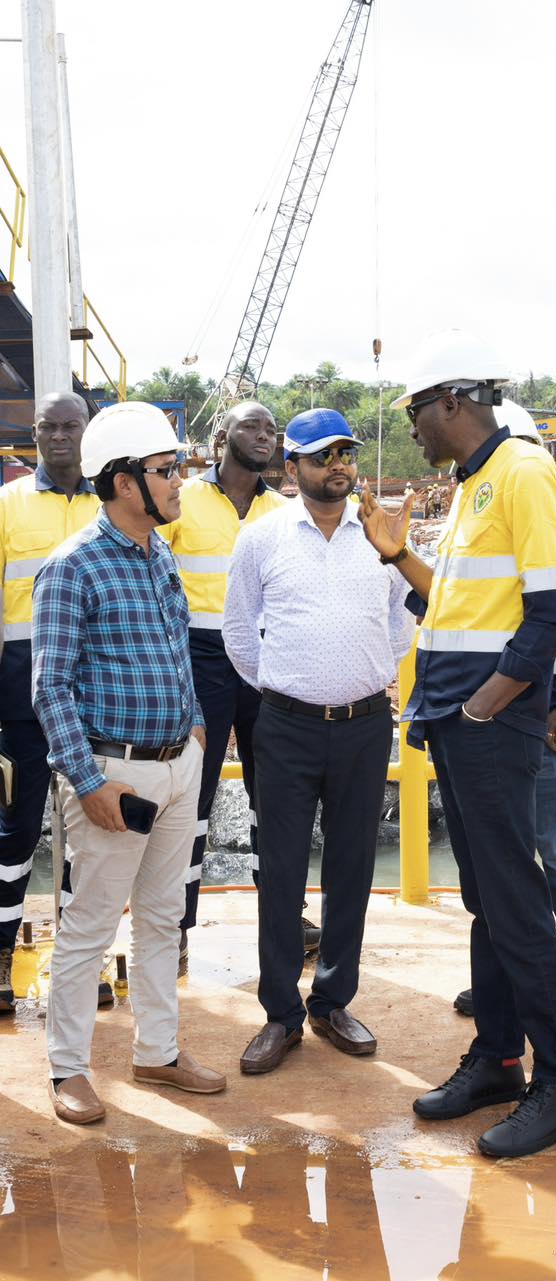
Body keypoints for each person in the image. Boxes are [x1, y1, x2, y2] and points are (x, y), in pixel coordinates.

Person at [381, 333, 556, 1158]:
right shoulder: (472, 484)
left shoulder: (524, 471)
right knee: (487, 902)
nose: (414, 429)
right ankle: (499, 1058)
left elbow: (550, 616)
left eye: (417, 412)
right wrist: (397, 557)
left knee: (516, 902)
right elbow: (458, 609)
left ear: (453, 402)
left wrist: (480, 709)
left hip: (487, 729)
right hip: (459, 724)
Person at [392, 402, 556, 1052]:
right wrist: (395, 555)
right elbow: (445, 606)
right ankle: (507, 978)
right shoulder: (475, 524)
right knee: (498, 866)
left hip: (539, 715)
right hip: (493, 716)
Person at [33, 402, 225, 1124]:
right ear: (123, 482)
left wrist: (196, 729)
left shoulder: (159, 554)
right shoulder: (72, 567)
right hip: (114, 775)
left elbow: (177, 647)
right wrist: (88, 782)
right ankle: (68, 1069)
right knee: (88, 927)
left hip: (177, 766)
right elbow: (50, 686)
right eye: (166, 470)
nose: (179, 482)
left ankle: (158, 1052)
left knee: (163, 919)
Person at [223, 409, 413, 1075]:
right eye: (322, 455)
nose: (338, 465)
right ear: (292, 467)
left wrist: (365, 675)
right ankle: (281, 1014)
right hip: (286, 727)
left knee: (353, 866)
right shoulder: (262, 539)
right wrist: (288, 688)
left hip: (365, 726)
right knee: (280, 870)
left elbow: (400, 620)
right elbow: (239, 632)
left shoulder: (381, 537)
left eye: (346, 453)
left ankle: (332, 1003)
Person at [156, 401, 302, 966]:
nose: (265, 436)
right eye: (252, 426)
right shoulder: (183, 500)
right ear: (222, 437)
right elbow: (158, 580)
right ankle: (177, 922)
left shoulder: (283, 510)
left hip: (267, 659)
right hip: (201, 658)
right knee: (193, 794)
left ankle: (284, 915)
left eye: (271, 429)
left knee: (278, 794)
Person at [0, 393, 102, 1017]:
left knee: (92, 832)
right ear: (34, 434)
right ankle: (1, 953)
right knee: (15, 829)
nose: (60, 436)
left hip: (97, 695)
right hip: (22, 694)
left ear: (88, 431)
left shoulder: (110, 503)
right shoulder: (7, 504)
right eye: (48, 427)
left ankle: (81, 961)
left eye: (71, 426)